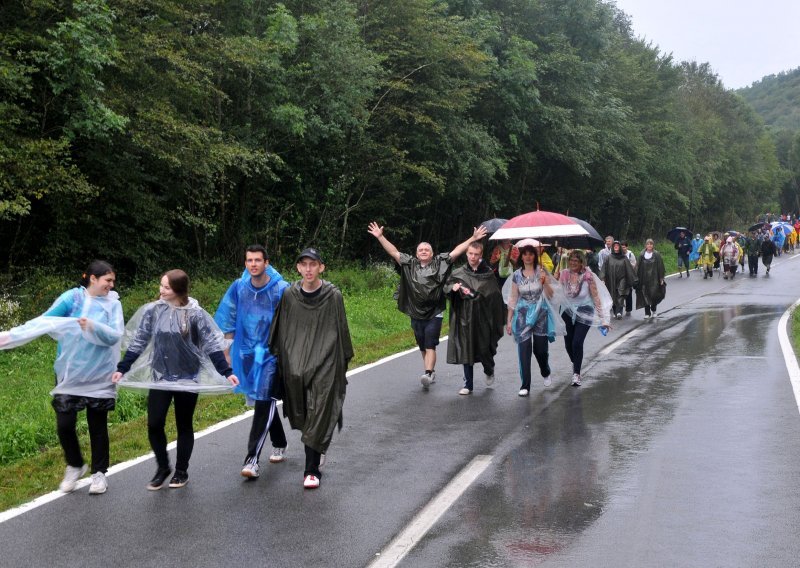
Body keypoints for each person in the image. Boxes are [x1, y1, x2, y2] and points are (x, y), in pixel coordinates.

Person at [0, 261, 123, 495]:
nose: (111, 285)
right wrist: (10, 337)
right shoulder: (72, 299)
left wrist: (93, 326)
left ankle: (99, 474)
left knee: (98, 426)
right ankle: (75, 464)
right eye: (108, 280)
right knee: (65, 424)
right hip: (70, 374)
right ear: (93, 279)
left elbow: (114, 336)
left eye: (113, 281)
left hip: (100, 374)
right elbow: (44, 321)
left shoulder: (113, 305)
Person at [112, 270, 239, 490]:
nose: (161, 290)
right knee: (154, 423)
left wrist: (226, 371)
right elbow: (139, 340)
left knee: (183, 424)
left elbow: (211, 345)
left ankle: (181, 471)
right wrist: (122, 368)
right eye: (161, 285)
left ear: (179, 290)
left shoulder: (195, 315)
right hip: (160, 377)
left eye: (166, 287)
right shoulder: (153, 311)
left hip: (188, 378)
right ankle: (163, 467)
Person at [269, 248, 353, 489]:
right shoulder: (289, 295)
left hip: (325, 365)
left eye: (313, 264)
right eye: (303, 264)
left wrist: (339, 364)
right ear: (298, 268)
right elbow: (281, 331)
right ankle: (318, 445)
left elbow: (340, 332)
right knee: (305, 414)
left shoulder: (333, 295)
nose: (308, 269)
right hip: (296, 366)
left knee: (319, 410)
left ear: (321, 267)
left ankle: (311, 470)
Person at [367, 222, 487, 389]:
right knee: (422, 344)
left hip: (434, 312)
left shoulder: (440, 263)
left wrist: (472, 239)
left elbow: (457, 251)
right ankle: (429, 370)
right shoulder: (409, 264)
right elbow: (393, 252)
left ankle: (428, 373)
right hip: (415, 312)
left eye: (427, 250)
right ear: (416, 254)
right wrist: (380, 237)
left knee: (430, 342)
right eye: (420, 250)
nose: (423, 252)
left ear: (432, 253)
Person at [214, 245, 290, 480]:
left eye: (258, 260)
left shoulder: (280, 289)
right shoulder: (239, 287)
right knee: (261, 399)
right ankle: (279, 441)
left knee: (264, 398)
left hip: (272, 354)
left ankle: (252, 460)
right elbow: (228, 316)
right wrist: (227, 352)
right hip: (247, 353)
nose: (253, 264)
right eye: (249, 260)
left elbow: (292, 322)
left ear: (267, 263)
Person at [444, 241, 505, 395]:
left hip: (483, 318)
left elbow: (495, 295)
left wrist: (481, 296)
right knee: (466, 348)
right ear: (466, 254)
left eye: (476, 254)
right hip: (464, 317)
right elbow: (446, 288)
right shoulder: (459, 273)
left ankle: (489, 369)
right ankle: (468, 384)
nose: (472, 257)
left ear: (481, 255)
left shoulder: (488, 274)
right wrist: (453, 289)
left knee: (484, 348)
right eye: (470, 253)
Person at [506, 241, 564, 396]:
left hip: (540, 314)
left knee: (540, 350)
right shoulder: (517, 276)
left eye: (531, 253)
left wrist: (545, 283)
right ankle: (525, 385)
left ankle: (545, 370)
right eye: (525, 253)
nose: (528, 257)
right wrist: (509, 321)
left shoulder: (542, 272)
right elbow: (513, 298)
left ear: (535, 256)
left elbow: (551, 295)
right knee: (524, 350)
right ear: (521, 256)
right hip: (523, 315)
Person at [558, 250, 611, 386]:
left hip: (585, 310)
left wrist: (603, 319)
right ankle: (575, 362)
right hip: (568, 311)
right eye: (571, 260)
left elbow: (596, 298)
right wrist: (546, 280)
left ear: (582, 263)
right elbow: (556, 292)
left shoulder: (588, 276)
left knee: (577, 342)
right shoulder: (564, 274)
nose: (573, 263)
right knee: (568, 344)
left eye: (576, 261)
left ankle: (576, 373)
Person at [600, 241, 638, 320]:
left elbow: (629, 269)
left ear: (619, 247)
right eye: (615, 246)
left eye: (618, 245)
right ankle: (615, 311)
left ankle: (619, 312)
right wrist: (603, 278)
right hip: (611, 279)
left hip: (622, 279)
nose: (616, 247)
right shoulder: (608, 258)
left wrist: (634, 280)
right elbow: (604, 269)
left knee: (621, 294)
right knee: (613, 295)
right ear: (613, 247)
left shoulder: (624, 258)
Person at [635, 239, 666, 319]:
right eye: (648, 244)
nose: (649, 246)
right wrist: (636, 277)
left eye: (651, 244)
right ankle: (647, 313)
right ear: (645, 245)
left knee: (653, 295)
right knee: (645, 295)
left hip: (654, 279)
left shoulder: (656, 254)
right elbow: (637, 266)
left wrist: (661, 278)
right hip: (644, 279)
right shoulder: (642, 255)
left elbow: (660, 266)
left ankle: (654, 309)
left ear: (653, 245)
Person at [620, 241, 636, 316]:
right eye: (621, 247)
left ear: (627, 247)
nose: (623, 248)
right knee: (619, 293)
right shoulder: (618, 254)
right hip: (620, 276)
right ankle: (619, 309)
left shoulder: (630, 254)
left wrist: (627, 265)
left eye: (624, 247)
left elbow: (634, 264)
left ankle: (628, 309)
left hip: (628, 276)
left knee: (628, 293)